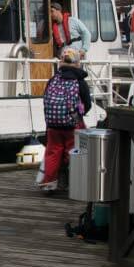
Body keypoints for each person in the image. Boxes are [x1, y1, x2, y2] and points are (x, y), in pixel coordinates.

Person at [39, 48, 93, 193]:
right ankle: (75, 183)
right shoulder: (79, 80)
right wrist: (78, 117)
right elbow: (88, 103)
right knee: (74, 152)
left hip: (52, 124)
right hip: (72, 124)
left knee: (52, 152)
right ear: (77, 62)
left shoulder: (53, 79)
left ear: (61, 62)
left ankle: (49, 184)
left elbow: (46, 100)